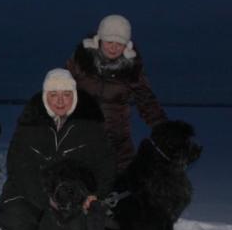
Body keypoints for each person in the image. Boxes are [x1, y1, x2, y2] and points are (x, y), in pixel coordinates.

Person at [0, 69, 116, 230]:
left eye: (66, 95)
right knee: (15, 220)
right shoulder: (29, 125)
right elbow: (18, 167)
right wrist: (46, 200)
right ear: (45, 96)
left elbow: (106, 165)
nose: (60, 101)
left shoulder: (91, 125)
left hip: (76, 198)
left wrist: (96, 194)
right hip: (32, 193)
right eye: (54, 95)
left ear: (74, 96)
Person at [66, 14, 167, 171]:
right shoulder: (80, 61)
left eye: (119, 43)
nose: (113, 47)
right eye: (109, 42)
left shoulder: (132, 68)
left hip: (118, 141)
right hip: (81, 137)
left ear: (127, 46)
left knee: (125, 186)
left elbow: (146, 100)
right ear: (99, 39)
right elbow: (59, 91)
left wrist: (162, 127)